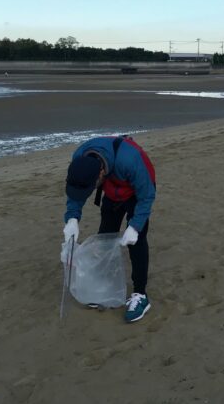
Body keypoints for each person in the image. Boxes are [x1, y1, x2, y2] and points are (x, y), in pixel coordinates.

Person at [63, 135, 156, 323]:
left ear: (100, 173)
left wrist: (135, 227)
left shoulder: (130, 160)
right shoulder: (80, 157)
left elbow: (147, 195)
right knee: (104, 236)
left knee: (136, 241)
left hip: (136, 193)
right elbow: (76, 191)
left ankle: (140, 295)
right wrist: (72, 219)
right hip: (112, 192)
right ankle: (103, 287)